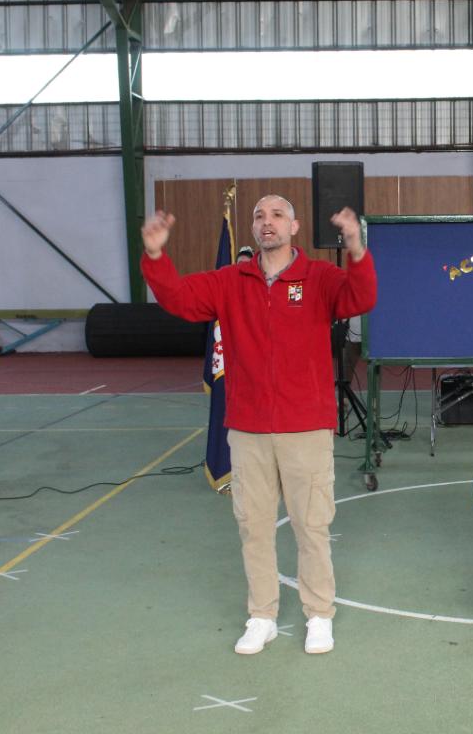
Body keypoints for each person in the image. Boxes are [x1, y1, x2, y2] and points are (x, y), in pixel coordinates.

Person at [140, 194, 376, 656]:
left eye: (277, 215)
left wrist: (356, 247)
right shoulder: (230, 281)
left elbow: (361, 296)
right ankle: (262, 616)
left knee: (312, 527)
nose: (267, 222)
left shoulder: (319, 278)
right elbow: (178, 298)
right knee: (254, 526)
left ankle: (319, 615)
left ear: (294, 227)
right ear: (253, 228)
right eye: (259, 216)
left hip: (305, 426)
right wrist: (154, 254)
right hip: (248, 429)